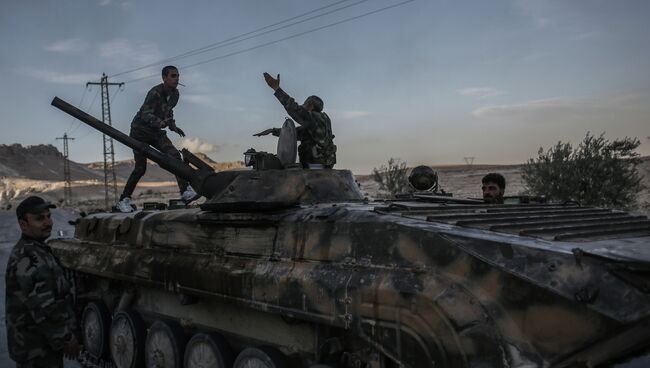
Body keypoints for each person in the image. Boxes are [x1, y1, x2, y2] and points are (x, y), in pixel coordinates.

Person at [5, 196, 81, 367]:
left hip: (40, 346)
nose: (48, 223)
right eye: (40, 218)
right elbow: (44, 306)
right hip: (37, 350)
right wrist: (66, 338)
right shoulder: (29, 257)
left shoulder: (37, 249)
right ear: (23, 225)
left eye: (49, 216)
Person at [117, 65, 196, 212]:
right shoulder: (154, 93)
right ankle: (124, 200)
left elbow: (168, 112)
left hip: (155, 132)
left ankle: (185, 191)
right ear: (164, 78)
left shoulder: (175, 95)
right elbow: (145, 114)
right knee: (140, 168)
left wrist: (173, 126)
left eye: (178, 76)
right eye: (173, 76)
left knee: (174, 156)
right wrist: (160, 123)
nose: (177, 78)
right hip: (140, 132)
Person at [255, 72, 336, 168]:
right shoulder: (318, 123)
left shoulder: (315, 118)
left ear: (310, 106)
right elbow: (295, 133)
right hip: (320, 165)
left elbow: (294, 109)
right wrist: (273, 131)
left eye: (305, 103)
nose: (302, 106)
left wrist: (276, 89)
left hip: (316, 167)